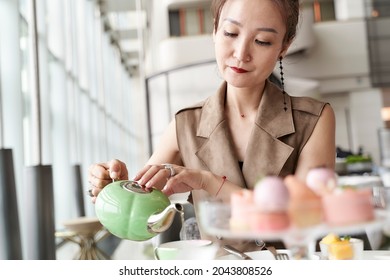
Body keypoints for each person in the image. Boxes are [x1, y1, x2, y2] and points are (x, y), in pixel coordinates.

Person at [88, 0, 336, 254]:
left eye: (262, 41)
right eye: (230, 33)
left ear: (285, 46)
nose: (241, 53)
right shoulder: (185, 125)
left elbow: (305, 222)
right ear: (215, 30)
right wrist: (114, 190)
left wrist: (209, 182)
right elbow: (141, 222)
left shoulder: (314, 119)